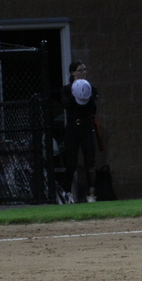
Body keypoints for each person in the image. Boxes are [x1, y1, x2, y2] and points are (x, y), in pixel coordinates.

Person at [60, 60, 98, 203]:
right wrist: (75, 95)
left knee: (90, 162)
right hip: (72, 128)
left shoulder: (91, 89)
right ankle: (67, 192)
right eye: (80, 70)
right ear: (73, 72)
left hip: (86, 127)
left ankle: (92, 193)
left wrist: (87, 96)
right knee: (71, 163)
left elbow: (93, 108)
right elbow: (66, 105)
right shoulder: (66, 89)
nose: (83, 73)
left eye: (84, 70)